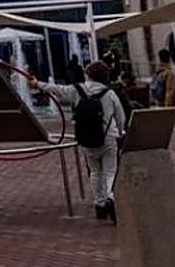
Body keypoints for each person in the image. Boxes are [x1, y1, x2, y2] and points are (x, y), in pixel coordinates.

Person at [31, 61, 126, 221]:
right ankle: (111, 196)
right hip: (107, 136)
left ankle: (99, 204)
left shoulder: (77, 90)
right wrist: (121, 131)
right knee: (110, 170)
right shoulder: (109, 93)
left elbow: (56, 89)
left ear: (88, 74)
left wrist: (37, 84)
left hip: (86, 137)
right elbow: (120, 116)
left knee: (94, 171)